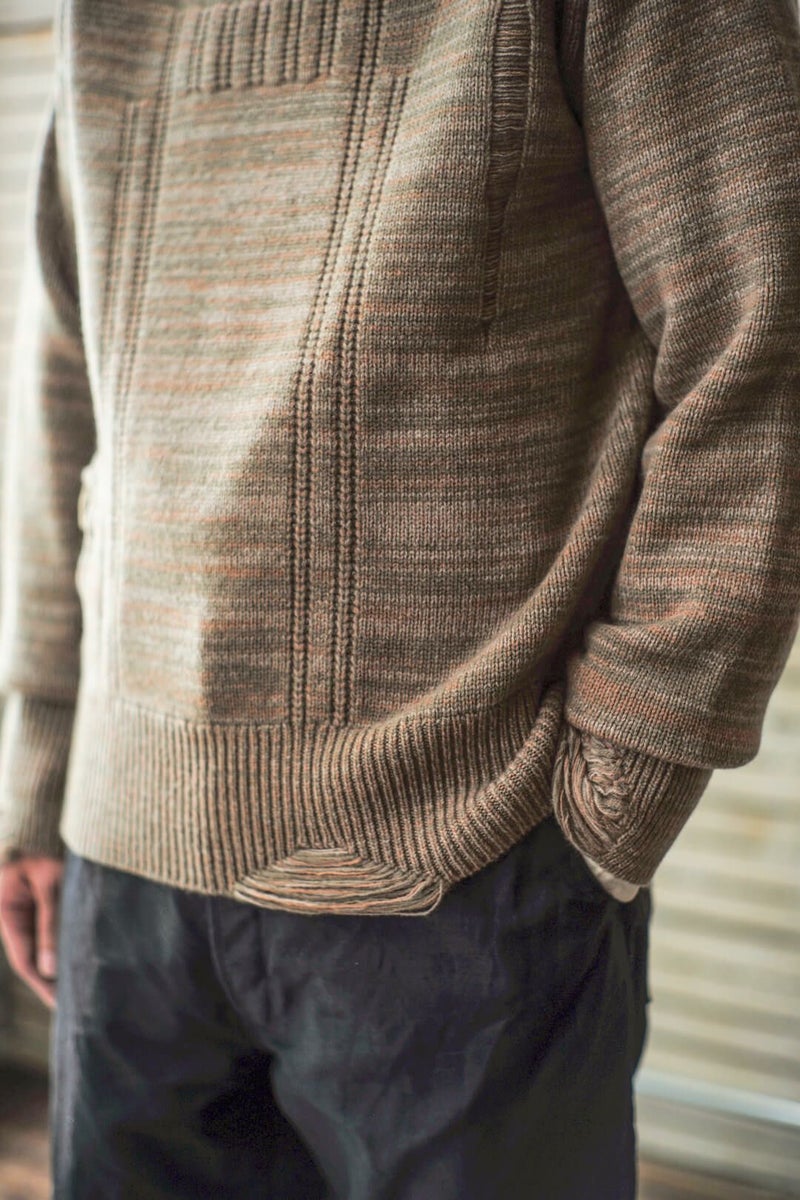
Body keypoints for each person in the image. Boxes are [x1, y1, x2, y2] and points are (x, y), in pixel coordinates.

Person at [1, 0, 799, 1195]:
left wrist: (613, 790)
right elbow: (63, 380)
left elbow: (761, 348)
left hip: (463, 866)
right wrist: (39, 763)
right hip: (121, 858)